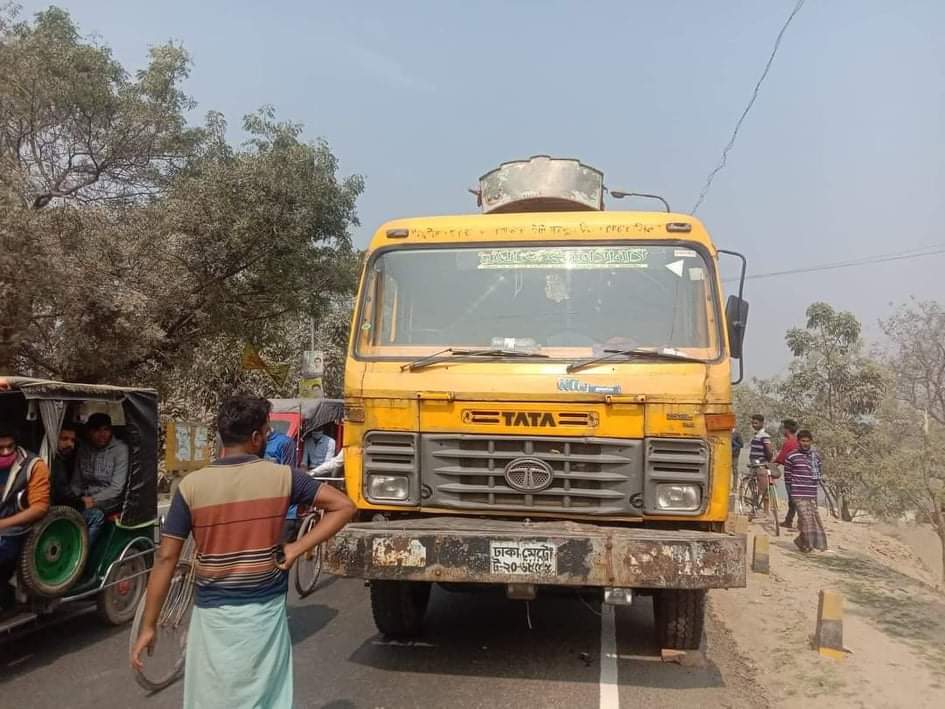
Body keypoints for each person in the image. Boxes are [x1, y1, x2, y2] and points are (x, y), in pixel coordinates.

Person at [131, 396, 355, 708]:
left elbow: (166, 558)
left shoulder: (191, 487)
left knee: (212, 696)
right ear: (255, 437)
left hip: (212, 615)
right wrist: (296, 548)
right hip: (264, 612)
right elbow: (344, 507)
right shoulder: (284, 477)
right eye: (267, 431)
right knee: (264, 695)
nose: (268, 436)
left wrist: (149, 626)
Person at [0, 428, 51, 613]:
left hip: (17, 529)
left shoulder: (34, 465)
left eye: (10, 447)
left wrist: (3, 524)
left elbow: (39, 508)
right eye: (0, 448)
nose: (6, 452)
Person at [72, 413, 129, 547]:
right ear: (89, 432)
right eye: (96, 431)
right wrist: (71, 499)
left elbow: (116, 488)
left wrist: (93, 500)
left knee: (93, 515)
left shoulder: (120, 450)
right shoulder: (83, 449)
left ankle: (83, 551)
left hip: (111, 498)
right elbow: (76, 482)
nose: (102, 435)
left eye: (106, 430)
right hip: (85, 496)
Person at [784, 430, 828, 553]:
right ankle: (807, 546)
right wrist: (791, 496)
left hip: (811, 493)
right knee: (805, 519)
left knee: (813, 520)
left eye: (808, 441)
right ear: (798, 441)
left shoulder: (816, 457)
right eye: (803, 441)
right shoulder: (791, 456)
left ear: (811, 441)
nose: (805, 443)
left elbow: (819, 473)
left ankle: (802, 542)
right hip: (798, 493)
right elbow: (788, 478)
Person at [773, 418, 799, 528]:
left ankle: (790, 521)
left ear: (787, 430)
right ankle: (791, 520)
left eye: (783, 428)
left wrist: (770, 466)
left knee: (792, 500)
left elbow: (780, 459)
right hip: (799, 475)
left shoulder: (789, 443)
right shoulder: (798, 441)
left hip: (791, 475)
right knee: (796, 499)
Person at [748, 414, 774, 507]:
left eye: (756, 423)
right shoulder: (756, 435)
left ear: (762, 423)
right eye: (753, 423)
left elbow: (769, 450)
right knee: (753, 483)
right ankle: (755, 504)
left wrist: (768, 460)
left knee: (763, 486)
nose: (754, 425)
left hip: (760, 464)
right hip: (754, 463)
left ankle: (765, 509)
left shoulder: (764, 436)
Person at [51, 423, 79, 506]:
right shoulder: (53, 461)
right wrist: (81, 503)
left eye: (72, 440)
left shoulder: (68, 459)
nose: (70, 444)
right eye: (64, 439)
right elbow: (61, 494)